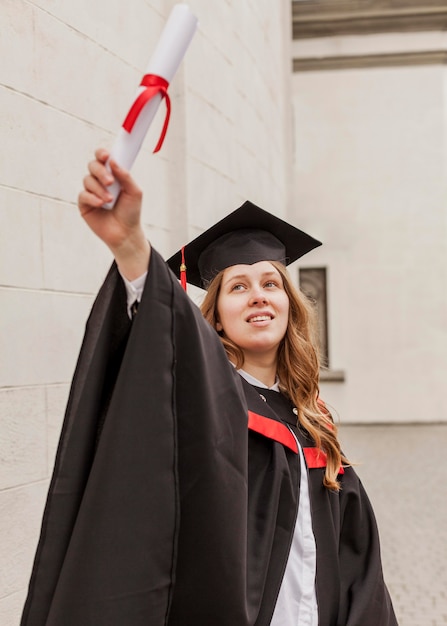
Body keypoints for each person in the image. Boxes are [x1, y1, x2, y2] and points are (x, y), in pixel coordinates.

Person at [21, 149, 398, 626]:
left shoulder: (310, 417)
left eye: (271, 283)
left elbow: (355, 555)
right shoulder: (208, 401)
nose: (258, 295)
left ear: (289, 303)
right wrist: (133, 247)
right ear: (215, 317)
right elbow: (169, 343)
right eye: (237, 287)